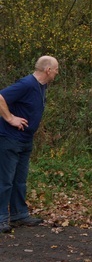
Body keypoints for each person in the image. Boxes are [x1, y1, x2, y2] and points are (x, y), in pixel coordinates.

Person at [0, 56, 59, 233]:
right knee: (5, 181)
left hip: (25, 140)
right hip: (9, 138)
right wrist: (10, 118)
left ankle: (19, 214)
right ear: (48, 70)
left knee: (19, 180)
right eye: (56, 69)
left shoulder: (41, 87)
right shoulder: (26, 84)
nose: (57, 72)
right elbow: (1, 97)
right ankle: (1, 217)